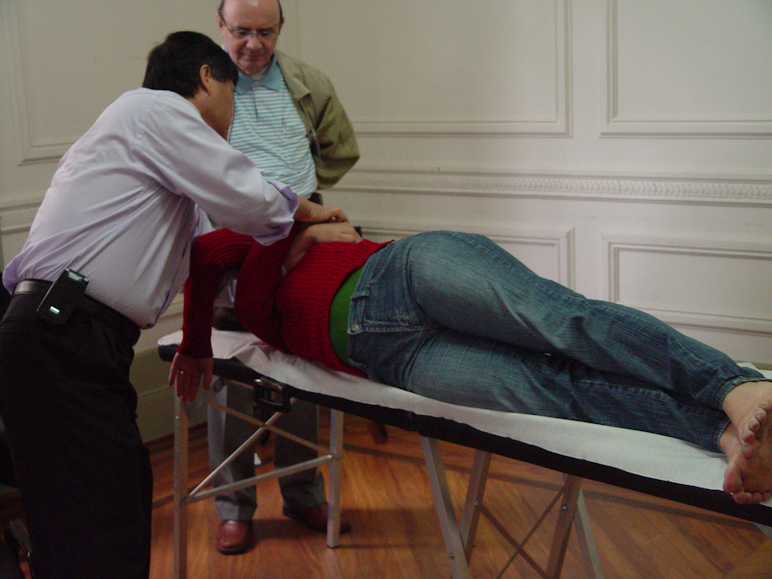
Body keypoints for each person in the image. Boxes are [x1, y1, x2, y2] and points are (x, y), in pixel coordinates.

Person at [0, 31, 347, 579]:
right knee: (96, 526)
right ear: (207, 77)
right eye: (232, 95)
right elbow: (250, 198)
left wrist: (293, 255)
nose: (234, 116)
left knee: (108, 505)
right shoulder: (151, 109)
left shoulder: (169, 179)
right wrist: (312, 214)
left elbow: (213, 263)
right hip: (60, 333)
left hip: (71, 337)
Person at [170, 223, 772, 506]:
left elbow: (208, 253)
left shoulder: (241, 233)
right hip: (395, 360)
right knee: (554, 391)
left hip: (401, 275)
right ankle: (718, 432)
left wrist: (195, 341)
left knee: (566, 322)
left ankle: (732, 386)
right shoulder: (249, 307)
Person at [206, 0, 359, 554]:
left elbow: (341, 149)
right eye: (241, 31)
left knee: (302, 361)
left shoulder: (309, 83)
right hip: (229, 237)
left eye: (265, 32)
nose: (253, 44)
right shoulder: (201, 83)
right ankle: (233, 506)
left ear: (280, 29)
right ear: (220, 27)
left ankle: (303, 493)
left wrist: (299, 196)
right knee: (229, 372)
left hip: (301, 233)